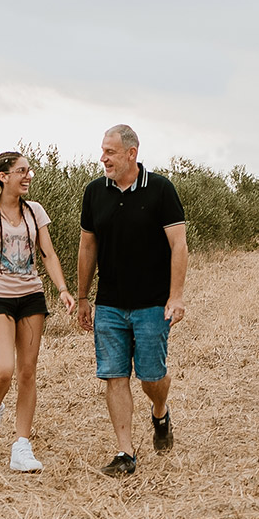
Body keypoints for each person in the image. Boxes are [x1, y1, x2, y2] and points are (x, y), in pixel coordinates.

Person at [76, 125, 188, 477]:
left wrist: (176, 296)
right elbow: (87, 245)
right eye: (102, 151)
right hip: (109, 303)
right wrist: (82, 297)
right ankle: (125, 453)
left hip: (153, 303)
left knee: (151, 376)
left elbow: (178, 245)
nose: (103, 158)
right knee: (114, 375)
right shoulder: (94, 192)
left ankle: (160, 411)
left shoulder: (160, 190)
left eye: (109, 152)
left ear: (131, 153)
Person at [0, 151, 76, 473]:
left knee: (28, 371)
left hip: (31, 295)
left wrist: (63, 289)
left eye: (29, 171)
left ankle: (21, 446)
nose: (29, 176)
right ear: (3, 176)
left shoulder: (35, 212)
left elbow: (48, 254)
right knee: (4, 369)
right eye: (22, 171)